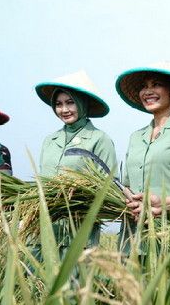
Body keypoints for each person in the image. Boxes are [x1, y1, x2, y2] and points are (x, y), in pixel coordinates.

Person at [115, 63, 170, 243]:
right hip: (133, 235)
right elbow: (127, 187)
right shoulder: (136, 137)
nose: (148, 91)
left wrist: (169, 202)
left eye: (156, 84)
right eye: (143, 87)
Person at [35, 70, 117, 249]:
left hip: (79, 231)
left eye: (70, 103)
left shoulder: (99, 139)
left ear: (82, 103)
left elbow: (108, 186)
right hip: (45, 230)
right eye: (58, 104)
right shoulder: (50, 141)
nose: (64, 110)